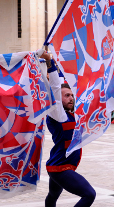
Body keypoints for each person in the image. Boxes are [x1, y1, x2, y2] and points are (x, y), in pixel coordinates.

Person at [41, 52, 96, 207]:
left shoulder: (72, 116)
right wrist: (50, 62)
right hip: (60, 168)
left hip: (57, 165)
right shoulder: (57, 114)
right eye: (67, 96)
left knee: (52, 197)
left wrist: (56, 65)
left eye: (72, 95)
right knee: (89, 194)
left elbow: (60, 83)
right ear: (59, 98)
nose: (71, 98)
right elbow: (55, 87)